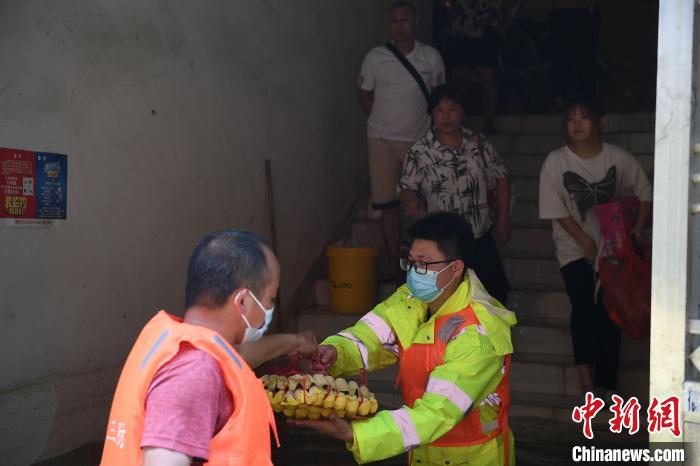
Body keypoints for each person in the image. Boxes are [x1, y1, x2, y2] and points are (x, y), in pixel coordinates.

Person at [290, 212, 517, 465]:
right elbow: (370, 336)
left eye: (424, 263)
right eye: (410, 262)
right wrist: (334, 352)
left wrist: (356, 434)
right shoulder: (411, 299)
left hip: (472, 458)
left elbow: (436, 413)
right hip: (421, 453)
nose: (414, 272)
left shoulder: (476, 333)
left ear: (455, 268)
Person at [99, 230, 318, 466]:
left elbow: (238, 358)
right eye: (270, 300)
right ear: (242, 301)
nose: (269, 309)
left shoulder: (189, 347)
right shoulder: (195, 371)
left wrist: (297, 341)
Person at [538, 99, 652, 400]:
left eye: (584, 117)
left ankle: (608, 383)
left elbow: (645, 194)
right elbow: (555, 210)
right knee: (583, 308)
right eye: (571, 118)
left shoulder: (618, 158)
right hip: (571, 248)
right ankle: (587, 381)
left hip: (613, 249)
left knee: (610, 312)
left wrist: (638, 229)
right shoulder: (556, 161)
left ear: (600, 122)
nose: (577, 123)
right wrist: (585, 242)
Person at [357, 0, 445, 283]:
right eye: (394, 20)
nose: (400, 25)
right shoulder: (375, 57)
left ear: (415, 22)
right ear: (388, 24)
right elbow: (363, 93)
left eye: (405, 20)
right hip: (380, 140)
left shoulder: (431, 57)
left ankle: (423, 263)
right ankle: (395, 263)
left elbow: (440, 99)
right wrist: (379, 119)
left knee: (420, 205)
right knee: (387, 205)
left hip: (418, 142)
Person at [399, 84, 511, 305]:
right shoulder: (420, 151)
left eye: (452, 109)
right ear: (432, 114)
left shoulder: (478, 143)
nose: (446, 116)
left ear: (463, 112)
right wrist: (411, 200)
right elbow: (406, 187)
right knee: (447, 301)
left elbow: (501, 178)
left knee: (494, 295)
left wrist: (504, 219)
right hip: (441, 245)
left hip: (478, 235)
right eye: (439, 110)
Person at [435, 0, 503, 132]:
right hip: (459, 27)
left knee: (488, 80)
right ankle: (460, 122)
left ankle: (489, 122)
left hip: (485, 28)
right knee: (459, 81)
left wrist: (498, 6)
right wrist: (448, 6)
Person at [549, 0, 601, 111]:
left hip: (574, 11)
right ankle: (563, 98)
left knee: (579, 60)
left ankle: (563, 98)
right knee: (573, 60)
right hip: (569, 11)